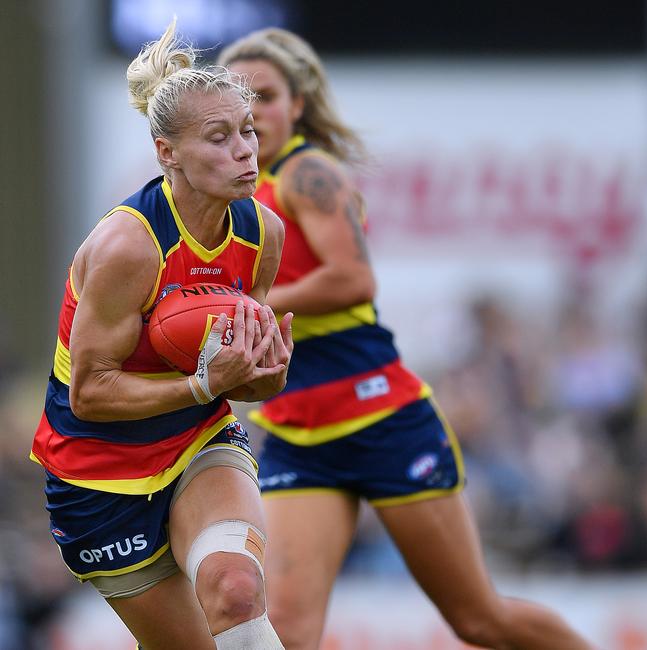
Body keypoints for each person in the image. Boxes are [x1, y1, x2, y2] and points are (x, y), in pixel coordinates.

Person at [218, 29, 597, 650]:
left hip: (382, 418)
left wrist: (254, 306)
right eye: (239, 96)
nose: (253, 109)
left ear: (298, 105)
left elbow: (354, 278)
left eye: (266, 94)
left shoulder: (308, 174)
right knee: (284, 630)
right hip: (297, 430)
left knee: (479, 621)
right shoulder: (224, 195)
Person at [29, 20, 293, 650]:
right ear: (167, 152)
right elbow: (91, 394)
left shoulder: (263, 234)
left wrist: (267, 371)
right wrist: (204, 383)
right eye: (219, 137)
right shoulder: (129, 247)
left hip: (197, 443)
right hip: (97, 478)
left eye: (249, 132)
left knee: (235, 591)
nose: (245, 151)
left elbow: (249, 382)